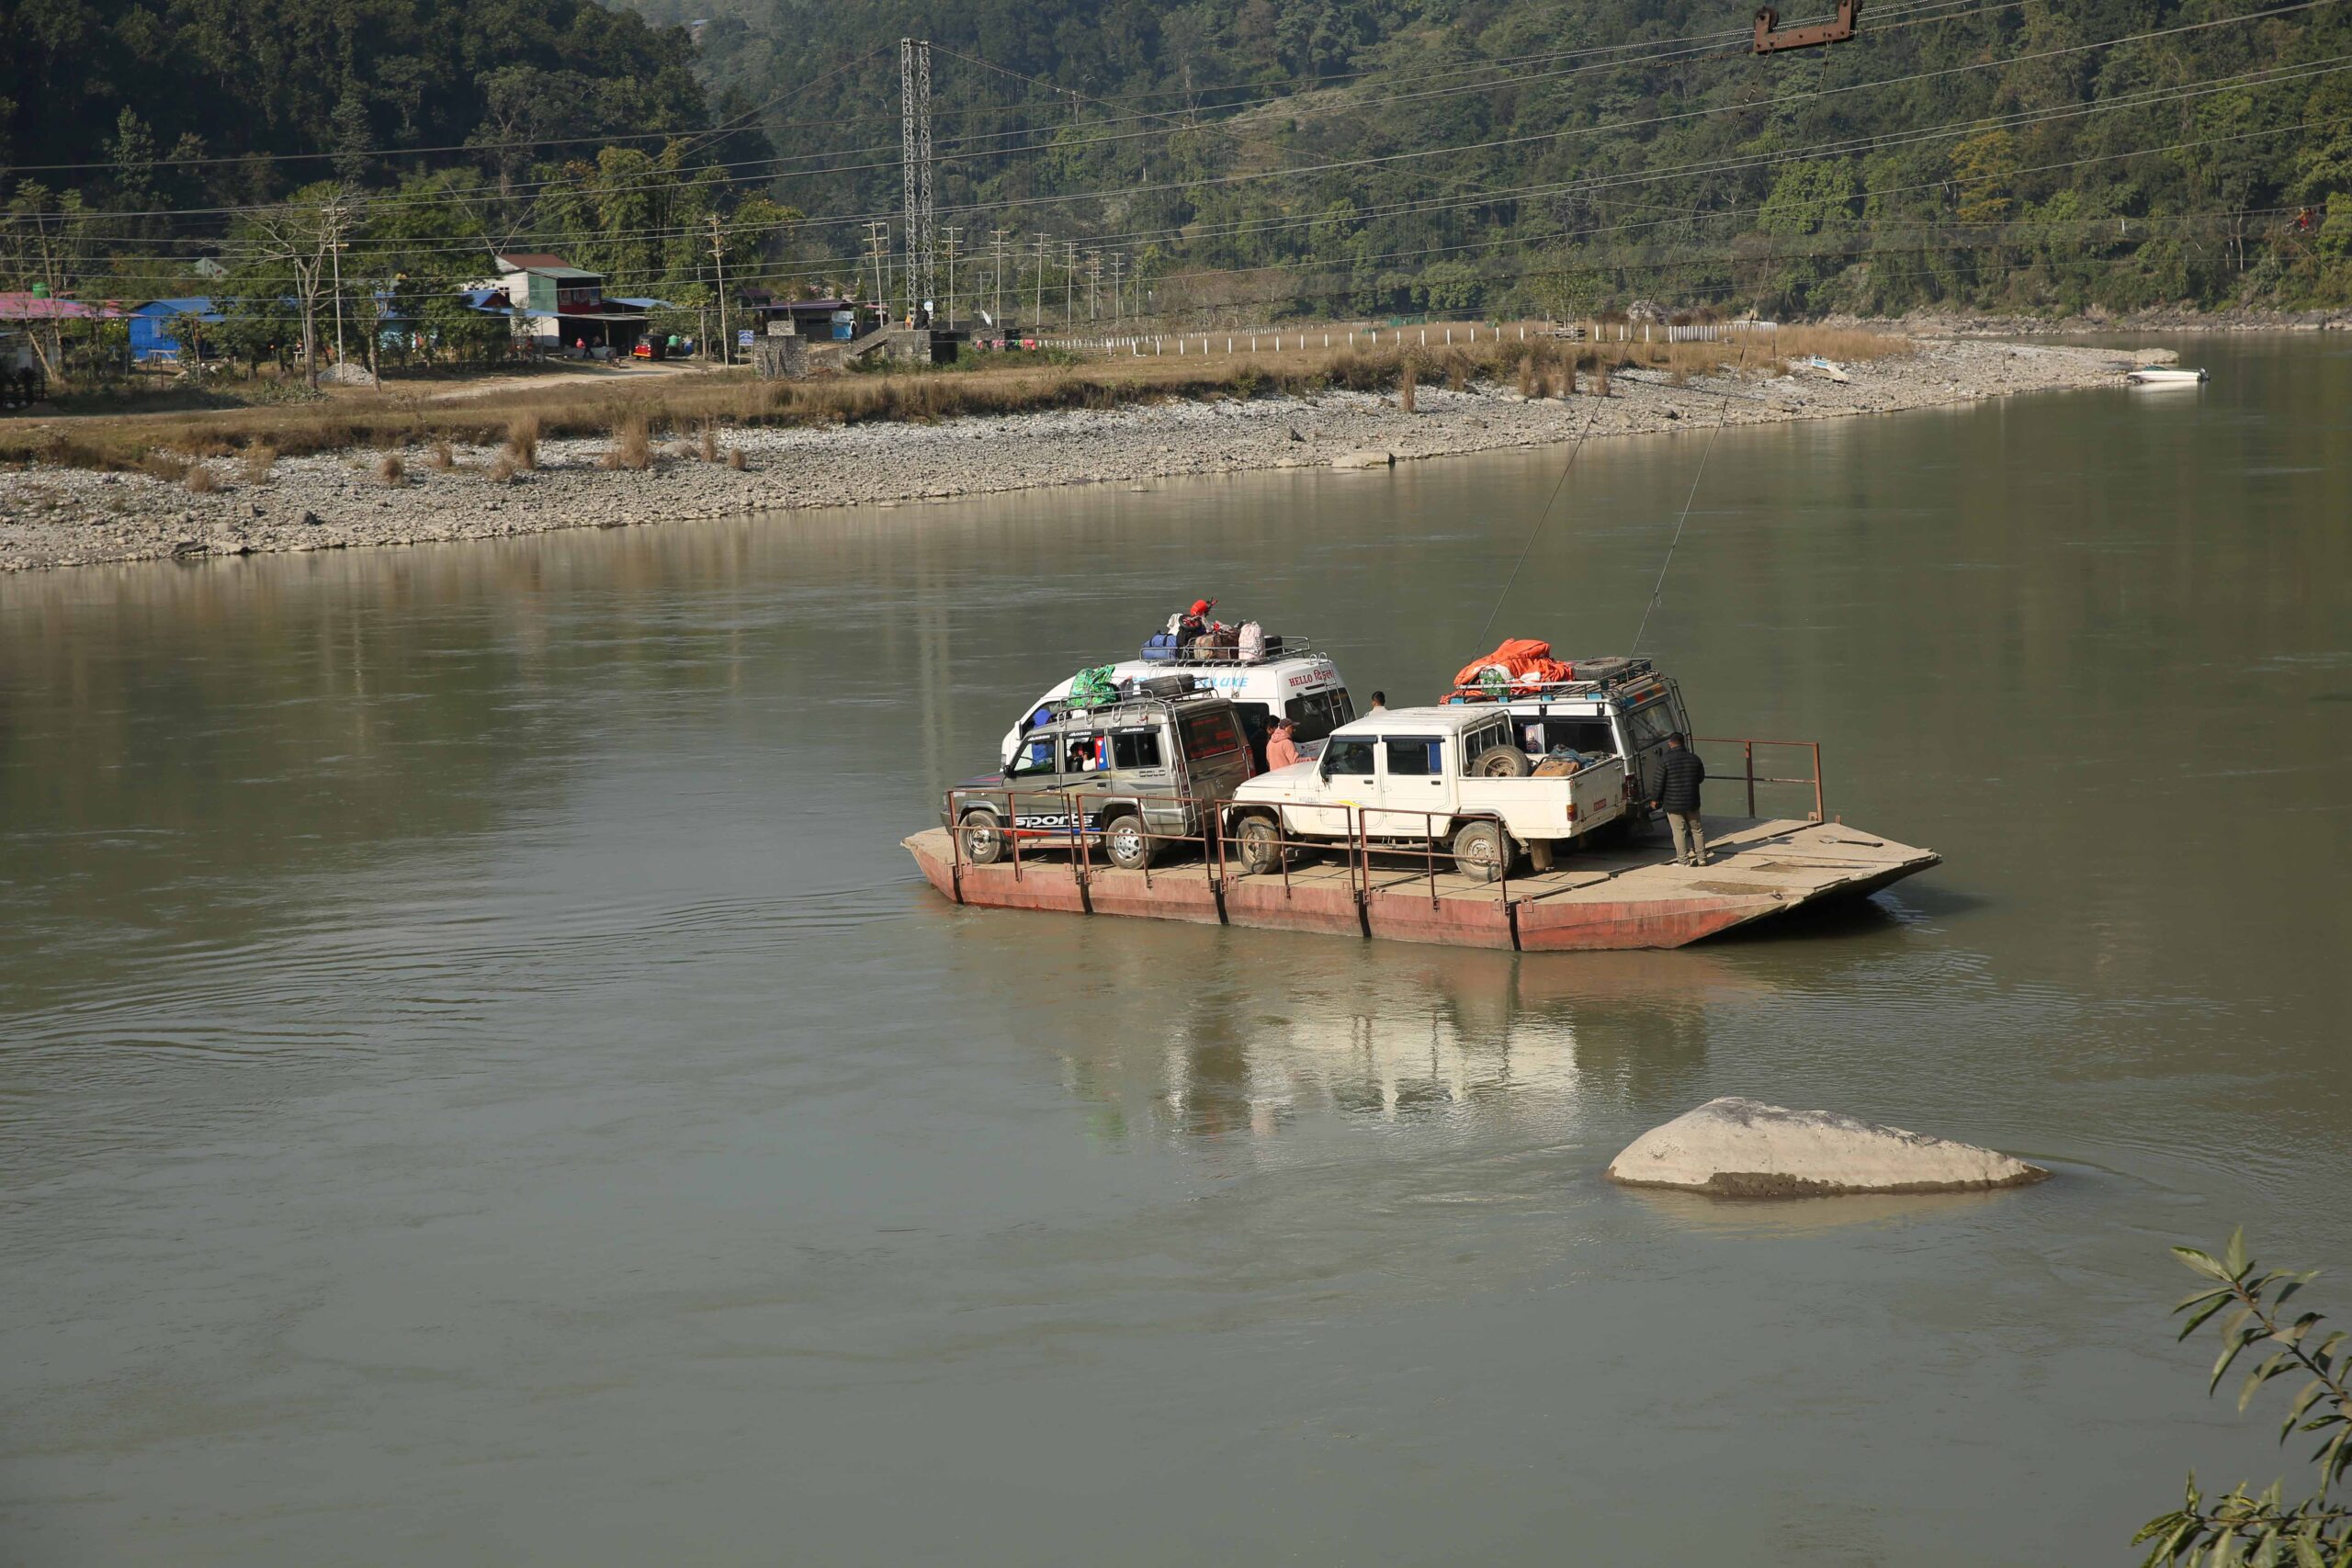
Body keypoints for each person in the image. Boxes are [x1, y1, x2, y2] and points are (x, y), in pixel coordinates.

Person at [1649, 733, 1709, 867]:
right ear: (1683, 743)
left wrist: (1655, 799)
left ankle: (1683, 861)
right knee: (1697, 830)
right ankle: (1702, 858)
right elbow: (1700, 778)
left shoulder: (1664, 760)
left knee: (1679, 831)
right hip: (1692, 801)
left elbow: (1659, 783)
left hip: (1672, 803)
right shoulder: (1694, 759)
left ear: (1670, 743)